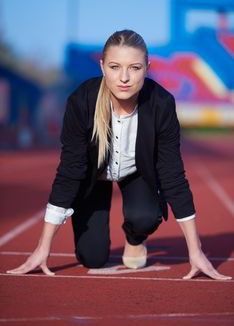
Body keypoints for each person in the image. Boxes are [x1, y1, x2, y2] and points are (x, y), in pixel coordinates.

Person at [7, 30, 231, 280]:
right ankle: (93, 235)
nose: (124, 77)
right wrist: (43, 247)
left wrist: (196, 250)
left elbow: (172, 174)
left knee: (144, 217)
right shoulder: (82, 102)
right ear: (102, 67)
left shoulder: (161, 104)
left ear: (147, 67)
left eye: (134, 68)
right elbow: (70, 172)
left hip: (136, 172)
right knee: (92, 257)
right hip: (94, 176)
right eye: (115, 67)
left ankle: (135, 238)